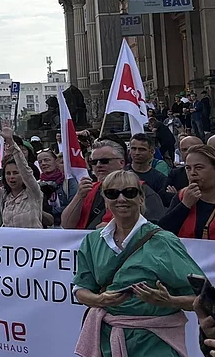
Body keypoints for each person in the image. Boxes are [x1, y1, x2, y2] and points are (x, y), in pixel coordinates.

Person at [73, 170, 201, 357]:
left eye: (129, 192)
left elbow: (202, 297)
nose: (121, 198)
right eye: (112, 193)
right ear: (106, 200)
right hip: (108, 341)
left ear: (141, 198)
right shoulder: (93, 241)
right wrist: (100, 300)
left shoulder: (163, 241)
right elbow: (81, 289)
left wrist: (170, 301)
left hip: (154, 342)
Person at [64, 140, 167, 230]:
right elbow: (66, 225)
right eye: (94, 162)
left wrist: (117, 229)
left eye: (105, 161)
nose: (99, 165)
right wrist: (79, 196)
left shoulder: (139, 190)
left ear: (121, 163)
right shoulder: (87, 190)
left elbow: (156, 227)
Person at [160, 144, 215, 238]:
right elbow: (162, 232)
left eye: (199, 168)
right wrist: (185, 205)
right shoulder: (182, 196)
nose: (192, 173)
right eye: (188, 168)